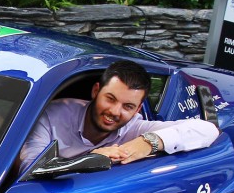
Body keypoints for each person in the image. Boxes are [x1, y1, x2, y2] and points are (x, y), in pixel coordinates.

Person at [18, 59, 219, 169]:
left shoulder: (135, 127)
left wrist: (149, 142)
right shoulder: (52, 114)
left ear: (137, 110)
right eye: (110, 99)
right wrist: (90, 159)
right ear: (96, 91)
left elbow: (208, 129)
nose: (115, 112)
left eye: (128, 106)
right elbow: (31, 167)